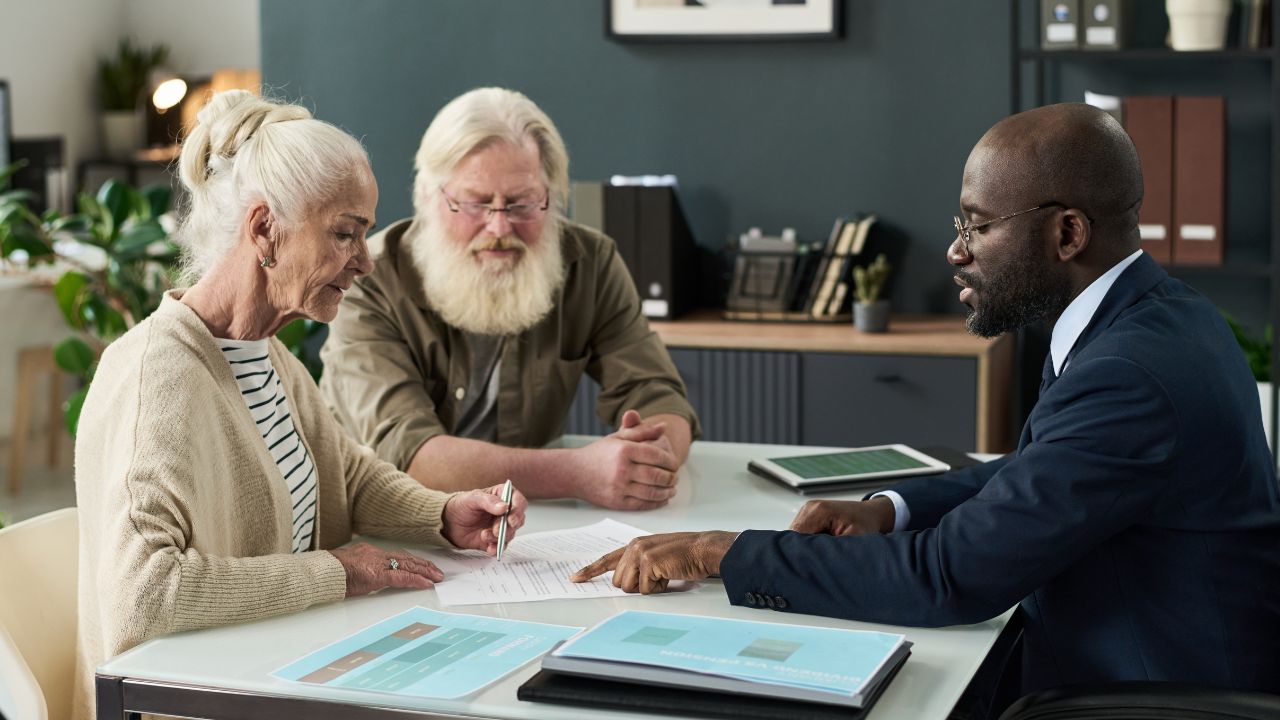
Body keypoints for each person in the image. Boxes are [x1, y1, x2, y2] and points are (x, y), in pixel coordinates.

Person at [573, 103, 1280, 702]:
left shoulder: (1129, 373)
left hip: (1144, 697)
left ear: (1067, 233)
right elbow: (1039, 469)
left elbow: (949, 576)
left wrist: (718, 552)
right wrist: (891, 508)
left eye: (978, 225)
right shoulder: (1156, 315)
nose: (955, 251)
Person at [72, 91, 529, 720]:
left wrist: (443, 514)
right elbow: (144, 594)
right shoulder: (162, 377)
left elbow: (347, 475)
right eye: (345, 233)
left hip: (274, 672)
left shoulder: (264, 353)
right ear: (263, 229)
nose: (365, 263)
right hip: (189, 699)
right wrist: (337, 572)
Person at [319, 87, 700, 511]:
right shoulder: (369, 276)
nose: (499, 227)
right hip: (380, 514)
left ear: (550, 199)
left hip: (527, 520)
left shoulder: (590, 262)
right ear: (429, 198)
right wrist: (578, 472)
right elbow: (408, 453)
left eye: (520, 204)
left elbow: (657, 392)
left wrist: (649, 457)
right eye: (476, 204)